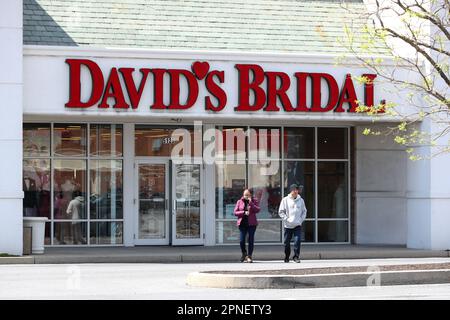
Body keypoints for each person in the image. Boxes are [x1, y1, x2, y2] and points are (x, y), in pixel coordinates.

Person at [278, 184, 307, 263]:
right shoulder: (285, 200)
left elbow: (304, 211)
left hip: (297, 225)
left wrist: (300, 220)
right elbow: (281, 212)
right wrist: (287, 219)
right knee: (286, 243)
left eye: (297, 190)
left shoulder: (301, 200)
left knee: (297, 241)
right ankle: (287, 256)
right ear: (291, 191)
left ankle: (296, 257)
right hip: (288, 226)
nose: (296, 191)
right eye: (294, 190)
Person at [234, 189, 260, 263]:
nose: (246, 196)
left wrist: (251, 203)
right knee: (242, 241)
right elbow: (235, 212)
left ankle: (249, 256)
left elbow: (258, 210)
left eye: (248, 195)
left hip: (252, 224)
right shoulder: (239, 202)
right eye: (245, 195)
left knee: (250, 240)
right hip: (242, 224)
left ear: (250, 195)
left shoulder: (254, 201)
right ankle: (244, 253)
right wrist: (244, 212)